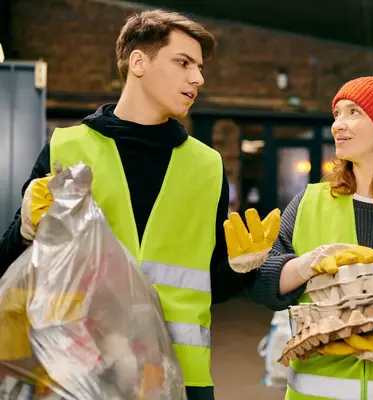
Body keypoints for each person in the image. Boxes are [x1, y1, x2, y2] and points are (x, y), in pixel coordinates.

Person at [0, 9, 279, 400]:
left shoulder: (207, 166)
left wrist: (239, 269)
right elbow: (10, 264)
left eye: (199, 67)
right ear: (138, 62)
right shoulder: (68, 149)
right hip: (82, 376)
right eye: (183, 62)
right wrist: (26, 229)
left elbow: (208, 287)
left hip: (182, 379)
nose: (197, 78)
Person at [224, 76, 373, 400]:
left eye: (354, 112)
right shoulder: (308, 204)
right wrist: (303, 266)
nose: (338, 124)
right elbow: (265, 289)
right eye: (337, 113)